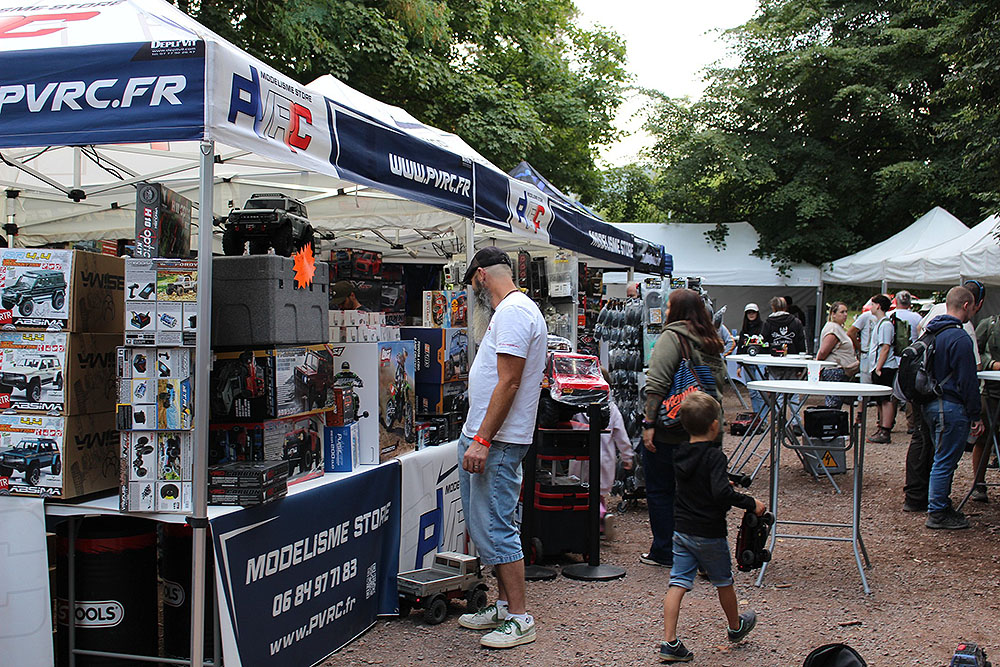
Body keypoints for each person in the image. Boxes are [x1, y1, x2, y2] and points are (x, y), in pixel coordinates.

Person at [456, 247, 547, 648]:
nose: (473, 292)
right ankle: (505, 605)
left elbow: (509, 382)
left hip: (496, 440)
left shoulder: (513, 312)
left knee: (496, 527)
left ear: (481, 276)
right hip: (491, 437)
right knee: (488, 526)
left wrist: (481, 439)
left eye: (472, 284)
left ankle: (519, 617)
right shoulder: (513, 310)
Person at [657, 391, 764, 663]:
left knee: (678, 583)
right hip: (709, 533)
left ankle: (669, 641)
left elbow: (696, 484)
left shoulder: (680, 454)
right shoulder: (715, 457)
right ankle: (735, 627)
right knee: (723, 581)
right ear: (714, 426)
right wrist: (750, 503)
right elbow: (720, 493)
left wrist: (720, 482)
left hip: (682, 531)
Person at [641, 289, 726, 568]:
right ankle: (703, 554)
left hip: (674, 428)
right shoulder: (711, 339)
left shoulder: (673, 337)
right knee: (700, 492)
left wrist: (649, 423)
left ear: (677, 310)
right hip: (707, 427)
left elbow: (657, 383)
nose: (666, 312)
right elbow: (719, 383)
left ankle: (666, 551)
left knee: (661, 489)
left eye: (668, 307)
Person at [921, 286, 984, 530]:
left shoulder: (931, 332)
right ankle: (937, 511)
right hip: (950, 406)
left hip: (930, 404)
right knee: (945, 460)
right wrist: (975, 414)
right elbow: (968, 381)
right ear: (966, 305)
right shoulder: (959, 338)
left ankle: (940, 505)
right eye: (973, 307)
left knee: (941, 457)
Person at [569, 368, 634, 523]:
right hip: (603, 457)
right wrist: (627, 457)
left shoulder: (576, 407)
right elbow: (621, 435)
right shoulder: (611, 409)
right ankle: (600, 518)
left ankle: (584, 520)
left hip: (580, 456)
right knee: (597, 493)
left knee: (580, 490)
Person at [760, 296, 807, 429]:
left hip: (774, 362)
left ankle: (779, 420)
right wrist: (801, 365)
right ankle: (796, 422)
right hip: (792, 362)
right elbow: (801, 344)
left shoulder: (768, 322)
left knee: (777, 393)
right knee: (793, 393)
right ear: (786, 307)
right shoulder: (796, 322)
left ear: (773, 308)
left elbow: (762, 342)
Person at [973, 311, 1000, 503]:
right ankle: (979, 484)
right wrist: (992, 364)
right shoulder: (989, 324)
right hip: (989, 393)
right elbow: (974, 353)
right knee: (983, 439)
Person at [890, 291, 923, 435]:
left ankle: (887, 422)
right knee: (910, 393)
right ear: (910, 303)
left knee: (892, 394)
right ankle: (912, 424)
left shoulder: (889, 315)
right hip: (911, 360)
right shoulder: (917, 317)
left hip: (892, 359)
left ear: (896, 302)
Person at [815, 302, 859, 408]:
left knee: (836, 404)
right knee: (833, 404)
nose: (845, 314)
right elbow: (823, 351)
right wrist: (817, 364)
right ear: (833, 314)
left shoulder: (838, 328)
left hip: (840, 370)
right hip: (833, 371)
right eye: (842, 312)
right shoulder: (833, 329)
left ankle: (833, 418)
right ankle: (829, 418)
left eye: (846, 312)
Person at [869, 294, 899, 443]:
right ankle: (881, 426)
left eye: (872, 304)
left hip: (885, 367)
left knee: (886, 399)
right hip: (880, 366)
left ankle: (886, 429)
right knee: (880, 400)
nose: (871, 307)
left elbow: (885, 347)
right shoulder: (880, 323)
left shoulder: (886, 324)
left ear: (878, 306)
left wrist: (878, 367)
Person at [736, 303, 766, 422]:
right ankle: (756, 418)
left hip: (760, 362)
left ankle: (763, 419)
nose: (751, 314)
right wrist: (739, 365)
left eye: (753, 312)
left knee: (760, 391)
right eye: (749, 313)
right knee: (752, 392)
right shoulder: (744, 330)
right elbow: (740, 347)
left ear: (757, 313)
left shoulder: (763, 327)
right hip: (747, 363)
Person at [847, 300, 876, 384]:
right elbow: (850, 332)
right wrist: (860, 348)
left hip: (878, 356)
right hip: (866, 354)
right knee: (866, 383)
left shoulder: (887, 317)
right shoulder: (866, 316)